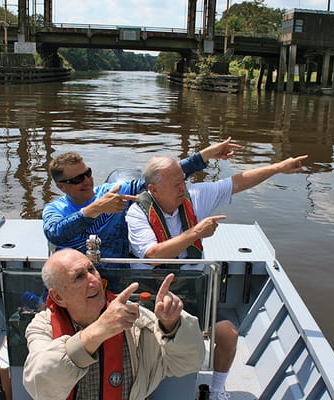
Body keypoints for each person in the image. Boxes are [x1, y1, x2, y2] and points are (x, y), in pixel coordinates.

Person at [125, 152, 308, 400]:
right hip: (154, 294)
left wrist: (278, 167)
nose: (183, 188)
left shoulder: (194, 197)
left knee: (228, 334)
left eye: (184, 181)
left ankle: (217, 388)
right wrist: (195, 233)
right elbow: (153, 256)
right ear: (153, 190)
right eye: (176, 184)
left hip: (193, 291)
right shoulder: (136, 213)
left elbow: (238, 182)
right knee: (143, 341)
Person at [23, 248, 205, 400]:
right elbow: (40, 384)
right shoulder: (41, 327)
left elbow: (188, 363)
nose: (94, 280)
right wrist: (99, 330)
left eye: (92, 269)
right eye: (79, 277)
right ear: (58, 297)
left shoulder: (135, 319)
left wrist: (172, 325)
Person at [42, 138, 242, 261]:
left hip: (118, 275)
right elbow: (55, 234)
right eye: (77, 179)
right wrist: (94, 209)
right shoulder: (54, 209)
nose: (87, 181)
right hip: (76, 278)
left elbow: (162, 176)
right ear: (61, 186)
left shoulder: (114, 191)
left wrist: (207, 154)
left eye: (88, 173)